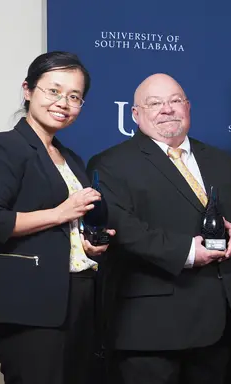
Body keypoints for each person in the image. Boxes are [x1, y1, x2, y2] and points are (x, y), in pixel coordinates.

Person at [86, 73, 231, 384]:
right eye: (154, 103)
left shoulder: (219, 159)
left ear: (188, 107)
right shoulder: (110, 164)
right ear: (135, 114)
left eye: (174, 101)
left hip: (219, 323)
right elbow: (124, 229)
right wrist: (188, 252)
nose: (167, 109)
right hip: (151, 330)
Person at [0, 51, 114, 384]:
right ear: (28, 90)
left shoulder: (72, 158)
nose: (63, 102)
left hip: (78, 296)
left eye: (74, 96)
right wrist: (60, 213)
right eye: (54, 90)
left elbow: (70, 226)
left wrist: (89, 245)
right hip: (30, 304)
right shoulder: (8, 147)